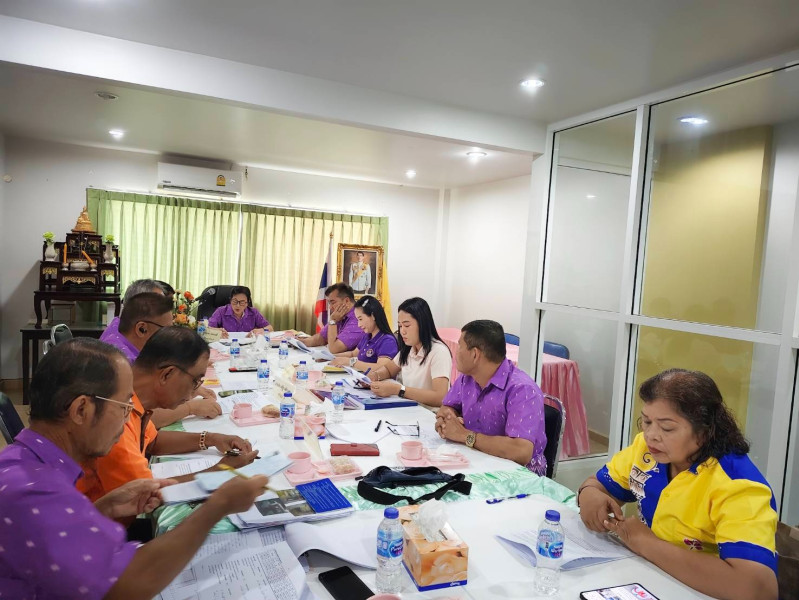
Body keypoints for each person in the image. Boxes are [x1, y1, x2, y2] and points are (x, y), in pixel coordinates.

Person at [0, 338, 268, 600]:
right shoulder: (32, 492)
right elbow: (125, 586)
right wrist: (217, 507)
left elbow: (57, 538)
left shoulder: (27, 464)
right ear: (81, 409)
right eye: (123, 406)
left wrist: (103, 509)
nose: (129, 417)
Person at [577, 369, 778, 600]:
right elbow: (598, 484)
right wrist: (589, 494)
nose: (651, 435)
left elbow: (757, 589)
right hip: (650, 577)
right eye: (646, 421)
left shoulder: (738, 485)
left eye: (667, 428)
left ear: (704, 431)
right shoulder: (648, 450)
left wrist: (645, 543)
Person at [78, 327, 257, 506]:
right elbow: (144, 496)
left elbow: (153, 442)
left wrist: (211, 439)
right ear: (167, 374)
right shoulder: (115, 417)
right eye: (195, 380)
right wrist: (220, 470)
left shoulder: (134, 401)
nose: (195, 390)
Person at [435, 320, 547, 475]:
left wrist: (465, 435)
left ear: (475, 354)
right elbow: (448, 406)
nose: (456, 352)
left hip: (518, 475)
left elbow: (521, 451)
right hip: (476, 460)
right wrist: (448, 419)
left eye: (460, 346)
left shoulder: (523, 390)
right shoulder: (467, 378)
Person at [100, 292, 222, 426]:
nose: (171, 335)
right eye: (166, 329)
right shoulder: (119, 363)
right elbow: (139, 417)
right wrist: (190, 407)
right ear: (142, 328)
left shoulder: (124, 336)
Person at [369, 297, 451, 407]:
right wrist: (375, 376)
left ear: (422, 324)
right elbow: (389, 370)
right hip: (409, 409)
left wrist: (400, 390)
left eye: (407, 325)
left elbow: (440, 397)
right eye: (400, 326)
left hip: (428, 413)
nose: (402, 331)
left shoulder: (439, 352)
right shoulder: (409, 349)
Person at [329, 295, 398, 371]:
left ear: (373, 316)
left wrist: (351, 362)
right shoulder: (367, 336)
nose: (359, 325)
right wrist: (331, 357)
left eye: (360, 319)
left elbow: (382, 368)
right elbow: (353, 354)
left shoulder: (387, 341)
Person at [304, 283, 366, 352]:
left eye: (333, 303)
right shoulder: (340, 315)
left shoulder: (358, 319)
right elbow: (320, 338)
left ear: (346, 301)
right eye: (329, 303)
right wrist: (298, 342)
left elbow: (334, 349)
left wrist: (333, 321)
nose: (330, 307)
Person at [207, 286, 272, 338]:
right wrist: (217, 331)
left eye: (242, 302)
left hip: (248, 346)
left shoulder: (253, 312)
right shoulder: (221, 311)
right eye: (235, 301)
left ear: (247, 303)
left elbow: (270, 328)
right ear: (230, 300)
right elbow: (207, 329)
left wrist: (260, 330)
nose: (237, 305)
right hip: (225, 346)